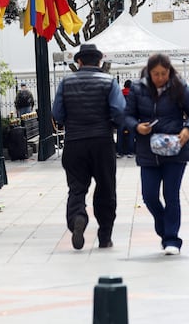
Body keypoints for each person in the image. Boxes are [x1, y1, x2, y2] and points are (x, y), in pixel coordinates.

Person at [125, 54, 189, 255]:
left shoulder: (179, 86)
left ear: (169, 71)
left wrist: (188, 129)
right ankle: (163, 227)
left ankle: (172, 239)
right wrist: (136, 127)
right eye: (156, 74)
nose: (160, 78)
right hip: (148, 149)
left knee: (171, 195)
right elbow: (127, 115)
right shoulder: (137, 88)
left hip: (175, 149)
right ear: (149, 73)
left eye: (164, 73)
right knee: (149, 196)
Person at [52, 43, 125, 250]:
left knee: (76, 188)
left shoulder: (66, 82)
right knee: (106, 188)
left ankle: (78, 217)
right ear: (100, 61)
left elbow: (57, 113)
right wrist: (112, 125)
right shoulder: (109, 82)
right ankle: (104, 236)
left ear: (79, 61)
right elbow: (119, 111)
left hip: (74, 142)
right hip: (102, 141)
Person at [116, 80, 135, 158]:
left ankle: (119, 152)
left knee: (120, 135)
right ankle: (130, 152)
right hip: (130, 116)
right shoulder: (133, 93)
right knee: (131, 135)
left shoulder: (120, 93)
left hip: (121, 116)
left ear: (124, 85)